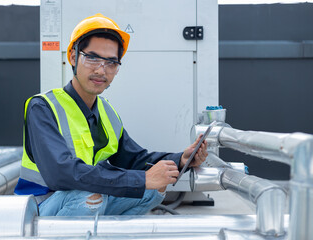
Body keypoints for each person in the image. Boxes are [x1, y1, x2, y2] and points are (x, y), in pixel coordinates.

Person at [14, 13, 208, 216]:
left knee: (154, 189)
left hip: (84, 200)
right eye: (92, 58)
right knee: (91, 196)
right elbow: (61, 174)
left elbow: (135, 158)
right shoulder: (43, 107)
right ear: (73, 56)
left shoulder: (106, 111)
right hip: (40, 208)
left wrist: (181, 160)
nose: (101, 70)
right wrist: (140, 180)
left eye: (111, 63)